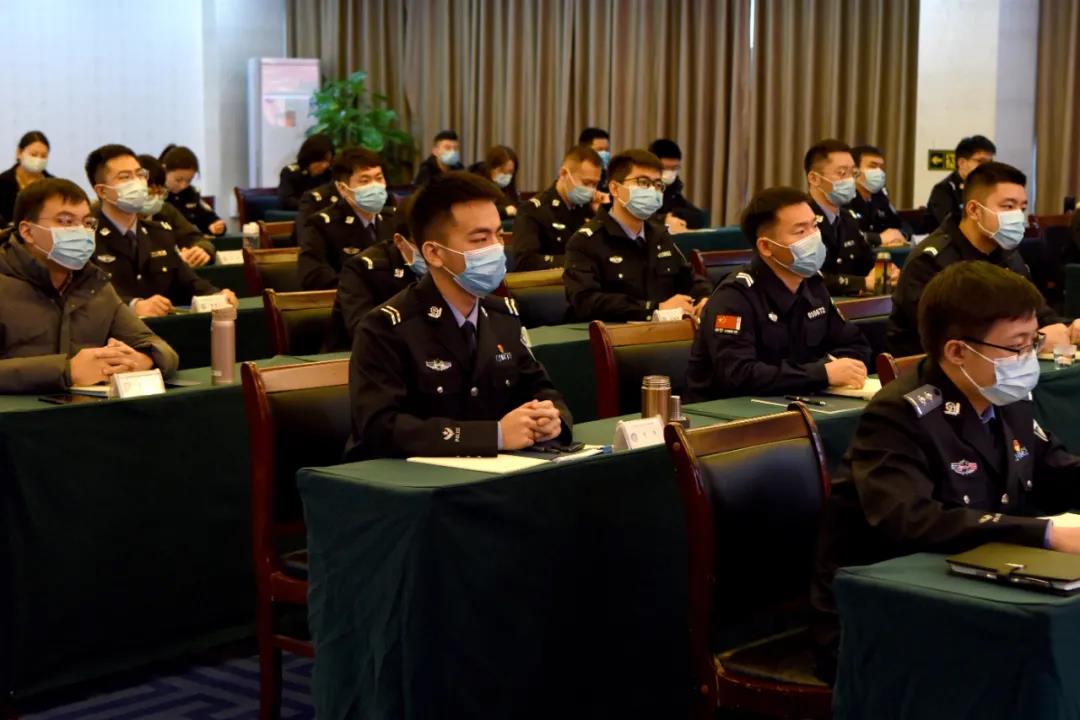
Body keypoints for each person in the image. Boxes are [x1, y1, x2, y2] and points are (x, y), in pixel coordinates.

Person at [812, 260, 1080, 683]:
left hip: (979, 588)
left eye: (1034, 342)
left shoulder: (1007, 398)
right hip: (888, 612)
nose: (1028, 359)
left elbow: (1058, 471)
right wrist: (1046, 534)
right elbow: (913, 520)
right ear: (957, 351)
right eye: (1017, 347)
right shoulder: (899, 415)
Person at [345, 171, 572, 459]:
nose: (496, 248)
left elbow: (541, 389)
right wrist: (494, 436)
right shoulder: (386, 327)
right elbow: (380, 428)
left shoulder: (502, 314)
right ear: (434, 253)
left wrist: (551, 419)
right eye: (480, 239)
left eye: (498, 235)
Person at [685, 187, 872, 400]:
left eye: (814, 226)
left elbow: (855, 343)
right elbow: (739, 375)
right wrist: (821, 373)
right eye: (800, 232)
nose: (814, 237)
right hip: (728, 412)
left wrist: (839, 367)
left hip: (797, 400)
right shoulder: (734, 297)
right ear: (766, 246)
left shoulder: (812, 284)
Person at [0, 177, 178, 393]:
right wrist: (65, 371)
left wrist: (143, 359)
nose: (80, 231)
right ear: (28, 231)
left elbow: (158, 347)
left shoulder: (94, 284)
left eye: (86, 223)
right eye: (66, 221)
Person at [888, 161, 1078, 356]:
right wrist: (1035, 341)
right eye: (1008, 206)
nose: (1017, 217)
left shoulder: (1007, 253)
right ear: (974, 210)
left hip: (1003, 360)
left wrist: (1070, 329)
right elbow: (953, 336)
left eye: (1021, 208)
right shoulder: (929, 261)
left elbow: (1036, 311)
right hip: (937, 366)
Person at [85, 144, 237, 317]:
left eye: (140, 174)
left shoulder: (159, 233)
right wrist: (133, 306)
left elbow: (189, 283)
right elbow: (85, 296)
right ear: (102, 191)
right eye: (125, 177)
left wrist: (217, 296)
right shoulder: (87, 238)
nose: (137, 183)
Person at [563, 149, 711, 322]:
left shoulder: (659, 236)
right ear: (615, 188)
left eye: (657, 185)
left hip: (663, 332)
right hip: (613, 334)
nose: (652, 191)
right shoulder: (586, 241)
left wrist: (705, 299)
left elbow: (691, 280)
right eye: (643, 183)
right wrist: (654, 309)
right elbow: (586, 302)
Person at [804, 139, 901, 296]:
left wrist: (886, 271)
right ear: (815, 179)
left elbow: (867, 260)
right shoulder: (802, 221)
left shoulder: (847, 218)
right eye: (842, 173)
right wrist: (862, 283)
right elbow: (810, 278)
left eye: (853, 173)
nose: (850, 181)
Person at [298, 147, 397, 290]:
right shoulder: (322, 225)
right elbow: (314, 276)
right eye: (365, 181)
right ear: (343, 189)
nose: (375, 187)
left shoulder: (394, 219)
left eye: (379, 178)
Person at [325, 201, 418, 352]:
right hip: (360, 357)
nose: (432, 253)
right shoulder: (363, 268)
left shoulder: (450, 264)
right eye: (421, 244)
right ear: (400, 241)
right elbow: (364, 332)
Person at [511, 145, 601, 271]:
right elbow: (525, 261)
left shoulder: (589, 209)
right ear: (564, 173)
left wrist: (602, 215)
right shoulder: (533, 210)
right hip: (550, 281)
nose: (591, 190)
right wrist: (576, 261)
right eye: (586, 183)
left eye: (595, 184)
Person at [137, 154, 215, 268]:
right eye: (150, 192)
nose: (156, 197)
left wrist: (201, 251)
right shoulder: (120, 218)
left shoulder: (166, 211)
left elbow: (195, 238)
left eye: (160, 192)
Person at [925, 135, 996, 230]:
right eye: (981, 161)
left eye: (990, 162)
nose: (987, 167)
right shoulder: (944, 189)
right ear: (962, 163)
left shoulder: (989, 187)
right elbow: (951, 226)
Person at [160, 145, 226, 236]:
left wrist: (215, 226)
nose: (183, 186)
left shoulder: (191, 194)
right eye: (178, 180)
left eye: (189, 181)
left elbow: (207, 217)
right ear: (164, 171)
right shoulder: (155, 195)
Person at [648, 138, 708, 231]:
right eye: (665, 168)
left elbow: (699, 217)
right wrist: (663, 220)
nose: (670, 173)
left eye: (675, 168)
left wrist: (674, 214)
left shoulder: (673, 190)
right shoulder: (642, 188)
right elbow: (637, 218)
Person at [849, 145, 906, 237]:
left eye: (880, 167)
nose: (879, 172)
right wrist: (879, 238)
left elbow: (899, 224)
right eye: (872, 166)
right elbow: (846, 235)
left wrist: (901, 235)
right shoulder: (844, 197)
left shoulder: (879, 195)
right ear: (855, 171)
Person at [0, 131, 52, 225]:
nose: (38, 159)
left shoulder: (53, 184)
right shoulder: (3, 182)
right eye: (34, 154)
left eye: (43, 156)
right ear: (19, 153)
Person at [278, 133, 334, 210]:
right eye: (320, 161)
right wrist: (312, 206)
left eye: (328, 161)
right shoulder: (290, 173)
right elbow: (287, 200)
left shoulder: (329, 174)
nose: (325, 165)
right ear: (309, 158)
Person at [469, 145, 520, 219]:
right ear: (491, 168)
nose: (507, 176)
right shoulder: (476, 182)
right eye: (502, 171)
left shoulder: (508, 185)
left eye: (510, 172)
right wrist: (504, 211)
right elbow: (477, 209)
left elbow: (514, 204)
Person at [578, 127, 612, 192]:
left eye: (606, 150)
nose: (604, 153)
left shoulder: (608, 175)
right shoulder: (575, 175)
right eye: (600, 149)